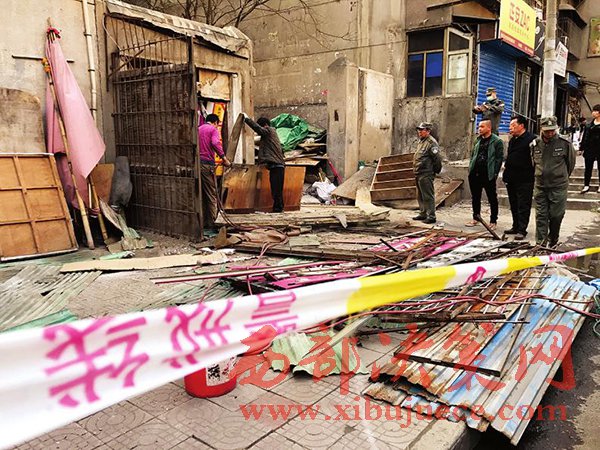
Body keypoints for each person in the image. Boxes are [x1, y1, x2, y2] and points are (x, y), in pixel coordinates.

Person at [530, 116, 576, 247]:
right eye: (547, 131)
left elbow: (570, 164)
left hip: (558, 186)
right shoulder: (535, 144)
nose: (550, 133)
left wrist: (560, 176)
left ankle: (553, 239)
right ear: (541, 129)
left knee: (556, 215)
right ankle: (540, 244)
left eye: (552, 130)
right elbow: (533, 163)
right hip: (541, 186)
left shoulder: (564, 144)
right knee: (541, 216)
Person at [465, 119, 504, 230]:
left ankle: (493, 221)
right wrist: (470, 168)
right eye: (479, 127)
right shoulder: (477, 140)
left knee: (492, 198)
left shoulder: (497, 141)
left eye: (482, 127)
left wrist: (494, 173)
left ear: (489, 128)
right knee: (475, 197)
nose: (479, 129)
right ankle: (476, 218)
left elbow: (499, 159)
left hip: (488, 174)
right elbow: (473, 155)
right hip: (475, 173)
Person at [243, 114, 286, 212]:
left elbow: (258, 129)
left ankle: (278, 209)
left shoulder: (269, 131)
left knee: (276, 189)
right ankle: (278, 208)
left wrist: (247, 119)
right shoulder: (271, 134)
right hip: (277, 166)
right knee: (276, 189)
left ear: (265, 125)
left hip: (276, 166)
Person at [503, 116, 536, 240]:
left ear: (521, 126)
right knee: (514, 204)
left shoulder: (531, 139)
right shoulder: (513, 140)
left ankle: (522, 229)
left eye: (513, 125)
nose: (510, 128)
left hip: (525, 178)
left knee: (523, 205)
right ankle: (515, 226)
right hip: (512, 177)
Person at [198, 113, 231, 227]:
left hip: (197, 164)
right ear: (215, 122)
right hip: (207, 164)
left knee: (202, 194)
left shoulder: (198, 129)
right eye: (217, 124)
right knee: (211, 194)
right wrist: (224, 158)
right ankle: (214, 223)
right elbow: (215, 143)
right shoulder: (213, 129)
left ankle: (203, 223)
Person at [412, 122, 442, 224]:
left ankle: (431, 216)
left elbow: (437, 159)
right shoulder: (421, 141)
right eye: (419, 130)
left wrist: (435, 171)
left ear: (428, 131)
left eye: (422, 130)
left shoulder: (431, 143)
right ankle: (423, 213)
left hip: (426, 173)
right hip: (419, 172)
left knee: (427, 195)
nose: (419, 132)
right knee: (420, 195)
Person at [579, 104, 600, 193]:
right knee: (588, 168)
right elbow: (585, 137)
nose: (593, 113)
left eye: (595, 111)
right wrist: (581, 148)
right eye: (593, 111)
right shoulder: (589, 125)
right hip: (590, 148)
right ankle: (586, 185)